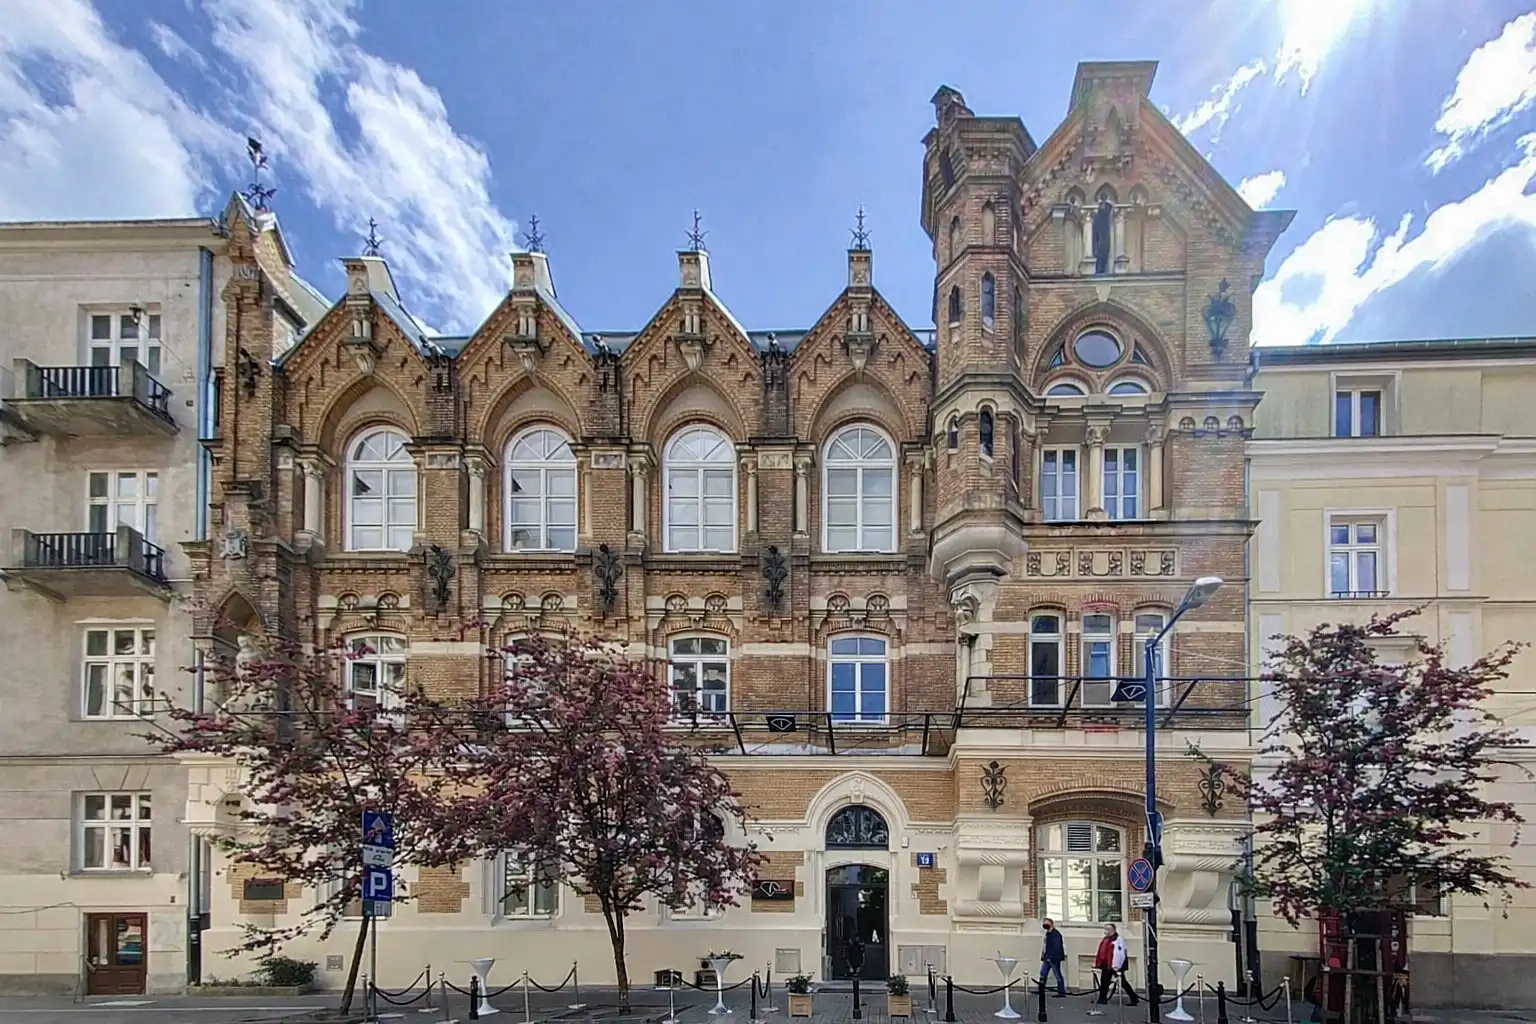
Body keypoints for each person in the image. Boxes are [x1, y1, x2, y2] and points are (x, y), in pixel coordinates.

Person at [1094, 924, 1139, 1005]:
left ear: (1113, 930)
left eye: (1107, 929)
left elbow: (1121, 954)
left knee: (1123, 982)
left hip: (1115, 965)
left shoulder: (1118, 940)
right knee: (1104, 982)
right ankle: (1102, 999)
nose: (1106, 931)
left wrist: (1118, 965)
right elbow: (1102, 952)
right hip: (1106, 964)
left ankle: (1134, 998)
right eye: (1105, 929)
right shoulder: (1106, 939)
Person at [1038, 918, 1067, 997]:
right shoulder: (1048, 933)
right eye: (1044, 923)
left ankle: (1061, 992)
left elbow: (1057, 947)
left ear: (1051, 924)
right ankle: (1041, 990)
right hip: (1047, 957)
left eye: (1046, 923)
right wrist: (1043, 955)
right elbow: (1045, 946)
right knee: (1043, 973)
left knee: (1057, 974)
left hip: (1054, 958)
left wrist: (1051, 957)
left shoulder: (1056, 934)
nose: (1044, 925)